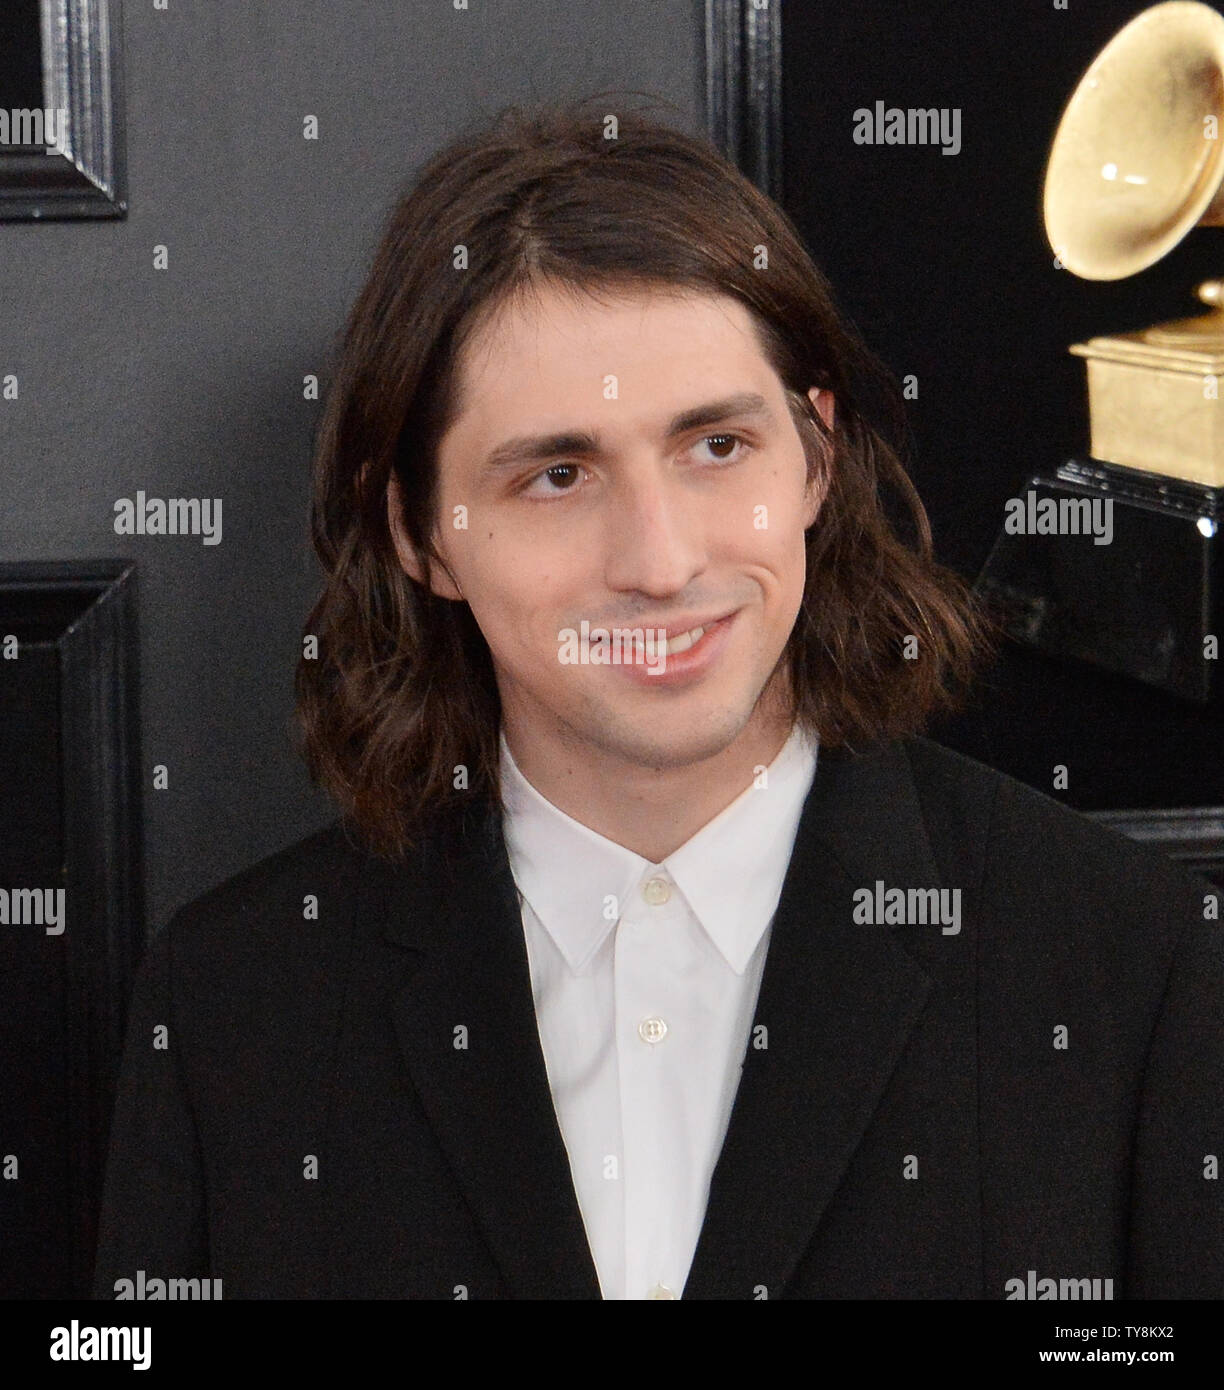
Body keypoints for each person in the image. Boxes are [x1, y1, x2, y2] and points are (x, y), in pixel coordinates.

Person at [93, 96, 1222, 1300]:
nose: (660, 560)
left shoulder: (1131, 963)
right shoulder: (230, 1009)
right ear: (419, 532)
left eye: (716, 447)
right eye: (559, 473)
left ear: (817, 462)